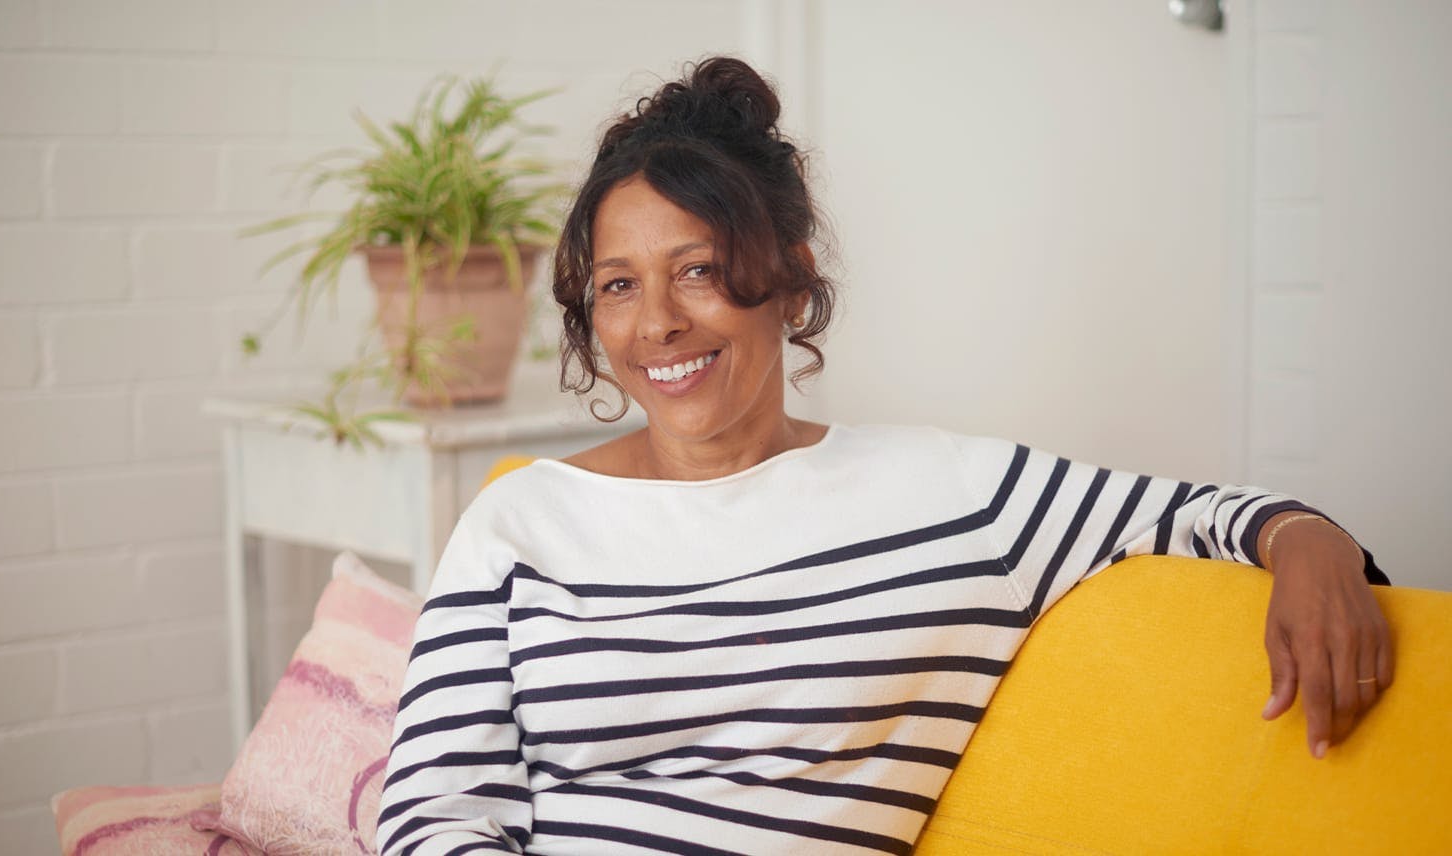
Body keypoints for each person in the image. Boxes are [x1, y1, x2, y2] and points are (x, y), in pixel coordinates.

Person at [376, 57, 1392, 855]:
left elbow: (1201, 513)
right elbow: (434, 814)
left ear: (787, 275)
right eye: (616, 285)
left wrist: (1307, 542)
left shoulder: (953, 499)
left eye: (696, 271)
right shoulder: (520, 521)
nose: (657, 325)